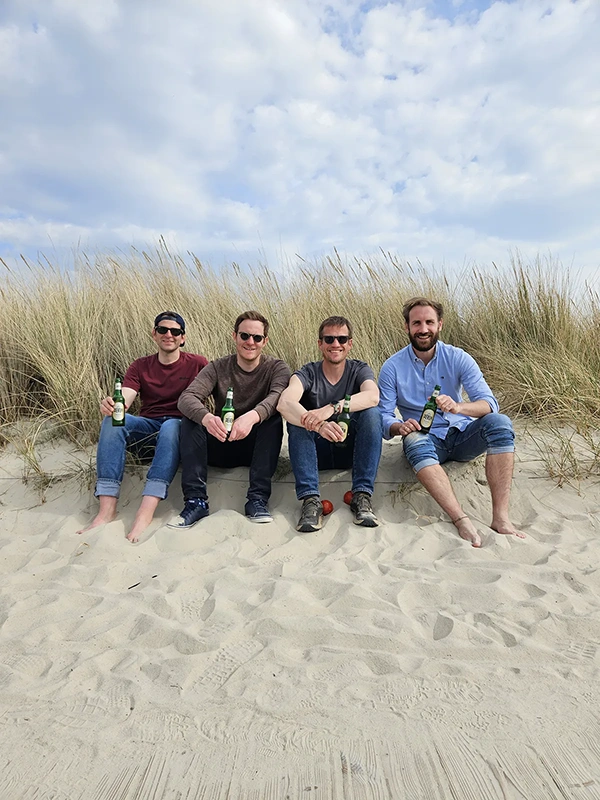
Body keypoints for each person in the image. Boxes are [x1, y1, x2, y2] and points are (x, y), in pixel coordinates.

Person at [378, 296, 525, 548]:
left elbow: (489, 403)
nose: (423, 329)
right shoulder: (392, 366)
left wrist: (459, 407)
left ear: (440, 325)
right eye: (416, 323)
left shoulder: (458, 357)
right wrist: (398, 426)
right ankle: (461, 519)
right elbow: (383, 415)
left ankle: (501, 518)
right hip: (424, 440)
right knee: (413, 438)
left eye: (429, 322)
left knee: (499, 423)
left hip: (462, 434)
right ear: (407, 327)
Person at [77, 312, 208, 543]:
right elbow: (126, 398)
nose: (169, 335)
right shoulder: (140, 366)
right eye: (163, 330)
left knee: (171, 426)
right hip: (148, 429)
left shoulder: (197, 363)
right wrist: (112, 405)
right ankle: (106, 510)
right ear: (154, 334)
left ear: (183, 338)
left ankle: (145, 512)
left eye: (175, 331)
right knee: (113, 421)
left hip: (180, 431)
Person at [168, 311, 291, 528]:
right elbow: (187, 398)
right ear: (235, 336)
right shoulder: (218, 367)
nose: (250, 342)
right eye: (244, 336)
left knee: (272, 421)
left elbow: (279, 396)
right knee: (190, 419)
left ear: (265, 341)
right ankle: (196, 501)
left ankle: (257, 499)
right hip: (221, 441)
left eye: (257, 338)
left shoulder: (276, 368)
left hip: (255, 449)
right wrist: (206, 417)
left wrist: (252, 416)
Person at [277, 315, 382, 533]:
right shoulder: (307, 372)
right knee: (298, 419)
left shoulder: (359, 369)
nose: (336, 344)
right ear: (320, 344)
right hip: (316, 453)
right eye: (329, 339)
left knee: (372, 414)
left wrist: (331, 408)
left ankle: (361, 496)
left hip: (350, 450)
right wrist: (318, 425)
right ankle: (310, 500)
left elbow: (372, 396)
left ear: (349, 344)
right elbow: (284, 403)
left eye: (342, 339)